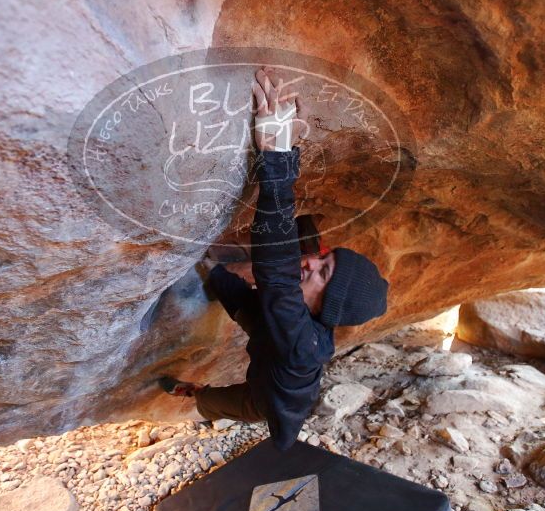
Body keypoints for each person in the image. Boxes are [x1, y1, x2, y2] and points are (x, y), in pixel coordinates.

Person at [159, 67, 389, 452]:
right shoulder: (294, 317)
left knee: (219, 403)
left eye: (323, 273)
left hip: (270, 399)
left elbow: (279, 276)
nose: (311, 262)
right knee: (226, 283)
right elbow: (281, 271)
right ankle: (222, 283)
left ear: (324, 306)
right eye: (323, 259)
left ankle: (193, 394)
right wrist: (223, 274)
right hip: (269, 336)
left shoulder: (302, 344)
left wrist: (278, 158)